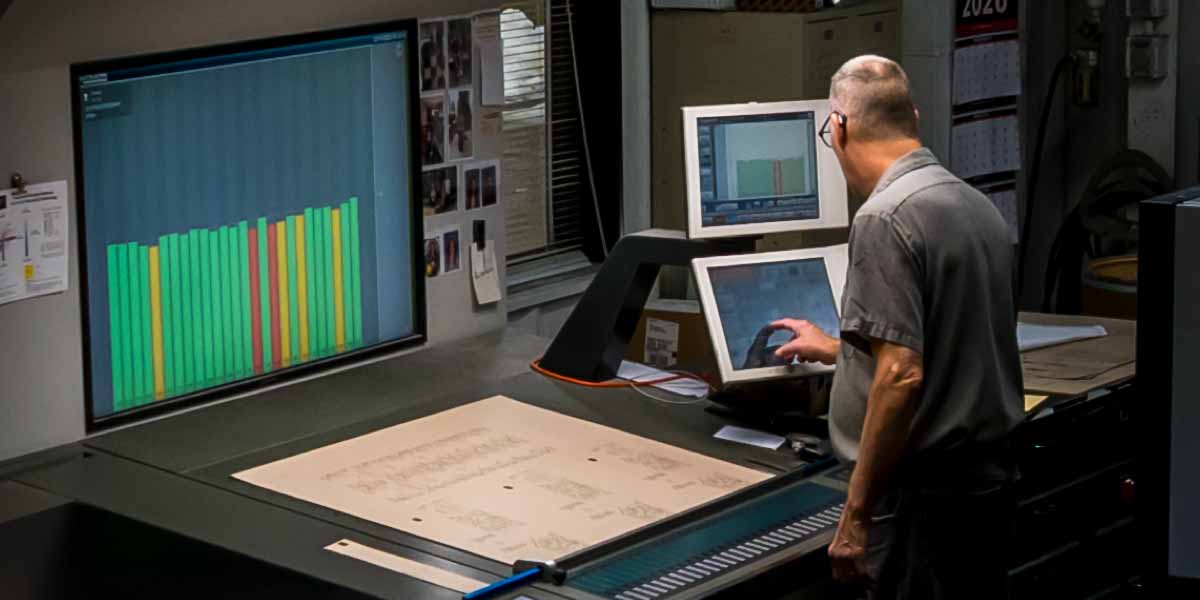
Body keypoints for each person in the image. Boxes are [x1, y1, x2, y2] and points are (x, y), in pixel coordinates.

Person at [768, 55, 1022, 599]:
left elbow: (903, 375)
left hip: (921, 506)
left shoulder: (885, 218)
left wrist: (856, 516)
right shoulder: (973, 204)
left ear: (838, 127)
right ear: (914, 117)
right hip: (983, 493)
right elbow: (943, 341)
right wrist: (843, 351)